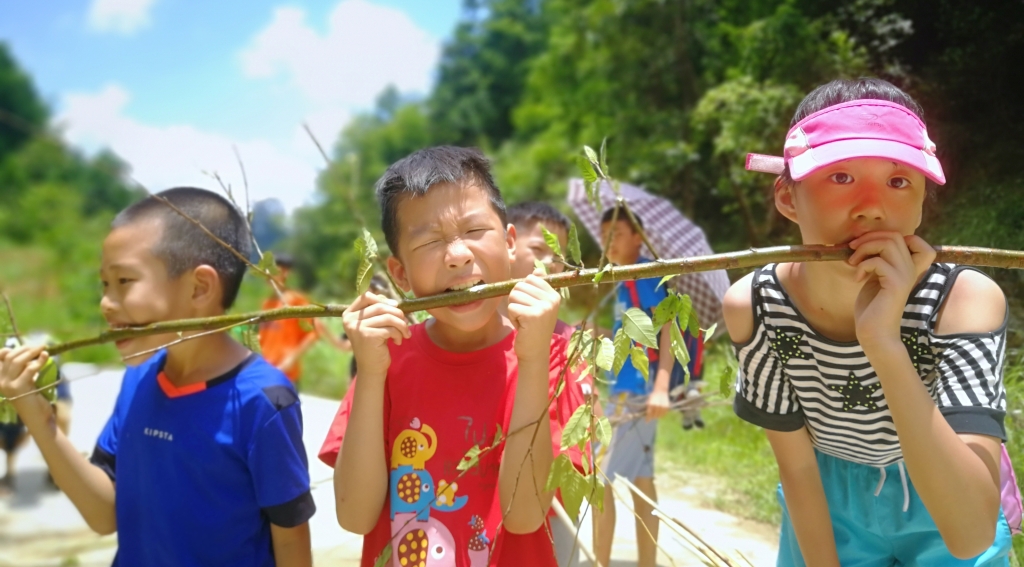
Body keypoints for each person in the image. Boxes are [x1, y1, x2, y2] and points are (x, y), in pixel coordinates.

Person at [724, 78, 1012, 565]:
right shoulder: (757, 305)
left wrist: (883, 342)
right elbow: (797, 468)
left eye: (898, 182)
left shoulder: (961, 302)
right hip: (827, 497)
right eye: (841, 177)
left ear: (921, 202)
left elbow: (969, 538)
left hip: (946, 478)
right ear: (788, 197)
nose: (872, 208)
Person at [0, 187, 315, 566]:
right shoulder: (140, 376)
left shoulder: (264, 402)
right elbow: (104, 516)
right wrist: (39, 419)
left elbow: (291, 543)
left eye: (124, 281)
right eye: (104, 284)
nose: (105, 303)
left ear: (199, 288)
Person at [321, 146, 584, 567]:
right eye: (429, 241)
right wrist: (369, 373)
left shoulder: (551, 358)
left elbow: (524, 515)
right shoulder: (386, 361)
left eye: (474, 230)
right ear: (401, 274)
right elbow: (354, 516)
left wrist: (533, 360)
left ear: (510, 243)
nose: (458, 255)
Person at [591, 205, 702, 567]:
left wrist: (661, 387)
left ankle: (600, 562)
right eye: (604, 235)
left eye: (617, 234)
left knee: (599, 478)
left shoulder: (646, 277)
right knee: (642, 479)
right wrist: (596, 332)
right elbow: (635, 336)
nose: (609, 241)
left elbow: (668, 331)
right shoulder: (624, 280)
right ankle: (647, 563)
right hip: (630, 388)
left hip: (635, 393)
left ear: (639, 238)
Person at [505, 201, 593, 567]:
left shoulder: (569, 340)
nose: (549, 264)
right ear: (508, 245)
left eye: (557, 256)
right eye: (538, 249)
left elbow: (579, 428)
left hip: (551, 503)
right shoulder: (475, 333)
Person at [259, 252, 342, 382]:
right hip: (266, 371)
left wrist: (291, 359)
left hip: (286, 374)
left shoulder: (295, 300)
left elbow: (315, 330)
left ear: (285, 273)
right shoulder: (267, 304)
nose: (268, 274)